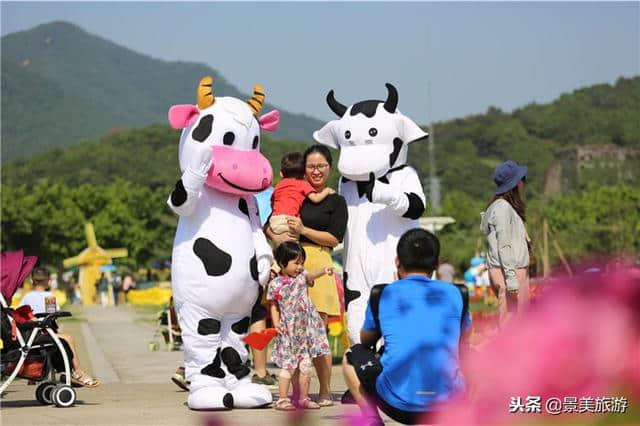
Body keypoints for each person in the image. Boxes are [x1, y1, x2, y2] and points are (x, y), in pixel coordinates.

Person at [342, 229, 471, 425]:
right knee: (478, 357)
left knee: (352, 355)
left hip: (397, 405)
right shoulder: (456, 293)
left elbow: (365, 340)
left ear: (397, 261)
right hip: (447, 404)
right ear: (436, 264)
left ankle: (371, 420)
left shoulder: (384, 294)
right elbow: (465, 338)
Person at [265, 144, 347, 406]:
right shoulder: (295, 190)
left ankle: (324, 390)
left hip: (319, 261)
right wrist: (277, 238)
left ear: (330, 168)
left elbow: (334, 237)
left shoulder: (335, 200)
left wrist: (303, 229)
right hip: (290, 266)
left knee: (318, 334)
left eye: (321, 166)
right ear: (303, 170)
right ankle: (297, 394)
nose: (316, 171)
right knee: (293, 332)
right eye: (310, 166)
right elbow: (270, 221)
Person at [268, 242, 333, 411]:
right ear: (282, 263)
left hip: (305, 331)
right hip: (288, 331)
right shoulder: (275, 284)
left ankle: (303, 398)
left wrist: (323, 271)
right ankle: (282, 399)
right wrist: (276, 325)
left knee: (305, 366)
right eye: (296, 263)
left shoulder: (302, 277)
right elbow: (274, 306)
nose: (300, 267)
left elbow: (311, 276)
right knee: (288, 367)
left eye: (302, 262)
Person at [19, 267, 100, 387]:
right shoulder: (49, 296)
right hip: (43, 333)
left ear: (32, 280)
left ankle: (40, 375)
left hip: (31, 334)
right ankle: (77, 371)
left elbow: (22, 313)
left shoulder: (27, 297)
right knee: (69, 338)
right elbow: (53, 316)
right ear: (48, 281)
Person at [480, 160, 530, 323]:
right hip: (510, 270)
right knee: (512, 324)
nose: (523, 183)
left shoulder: (503, 207)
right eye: (522, 179)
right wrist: (511, 279)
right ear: (515, 184)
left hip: (510, 270)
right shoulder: (502, 208)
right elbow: (504, 245)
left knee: (517, 322)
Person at [269, 152, 335, 235]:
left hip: (275, 221)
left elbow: (272, 202)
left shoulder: (278, 185)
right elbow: (316, 198)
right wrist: (327, 191)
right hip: (290, 221)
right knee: (294, 244)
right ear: (304, 175)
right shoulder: (302, 184)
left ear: (281, 174)